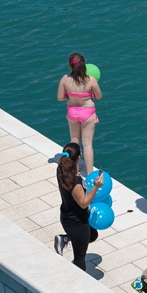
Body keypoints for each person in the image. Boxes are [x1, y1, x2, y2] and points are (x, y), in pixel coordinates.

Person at [52, 142, 106, 271]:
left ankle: (65, 238)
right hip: (76, 223)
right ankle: (81, 281)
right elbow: (83, 203)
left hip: (69, 216)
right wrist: (96, 187)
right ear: (79, 157)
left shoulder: (61, 170)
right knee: (79, 257)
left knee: (93, 235)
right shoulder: (74, 182)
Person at [56, 53, 101, 173]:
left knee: (74, 140)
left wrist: (71, 96)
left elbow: (60, 97)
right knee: (87, 144)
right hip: (87, 113)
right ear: (83, 65)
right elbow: (99, 96)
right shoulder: (90, 80)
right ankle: (89, 173)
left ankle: (75, 169)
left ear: (70, 65)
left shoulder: (65, 79)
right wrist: (87, 96)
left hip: (72, 112)